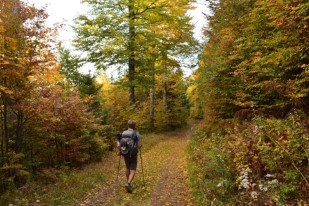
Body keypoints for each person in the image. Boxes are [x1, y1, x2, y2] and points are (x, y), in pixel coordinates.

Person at [119, 120, 142, 193]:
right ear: (134, 126)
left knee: (127, 167)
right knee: (133, 168)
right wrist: (140, 146)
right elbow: (138, 145)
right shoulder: (136, 133)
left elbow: (120, 143)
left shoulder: (123, 133)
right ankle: (128, 183)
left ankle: (128, 183)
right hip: (133, 153)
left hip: (125, 152)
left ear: (128, 125)